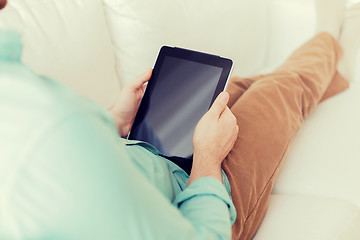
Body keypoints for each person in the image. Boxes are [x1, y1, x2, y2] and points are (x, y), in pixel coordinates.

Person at [0, 1, 349, 239]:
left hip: (147, 149)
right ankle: (333, 39)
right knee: (285, 88)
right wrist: (208, 159)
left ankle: (325, 77)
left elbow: (72, 168)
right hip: (205, 196)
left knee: (234, 86)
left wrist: (111, 123)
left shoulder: (28, 103)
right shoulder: (51, 124)